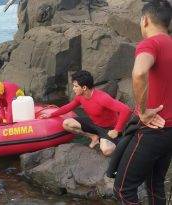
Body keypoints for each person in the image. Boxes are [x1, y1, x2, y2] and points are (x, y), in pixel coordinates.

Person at [114, 1, 172, 204]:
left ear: (145, 20)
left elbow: (139, 72)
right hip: (170, 132)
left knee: (123, 189)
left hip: (153, 130)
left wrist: (143, 110)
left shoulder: (150, 43)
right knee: (155, 186)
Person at [42, 70, 131, 156]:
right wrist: (51, 114)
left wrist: (117, 130)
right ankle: (94, 137)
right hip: (94, 123)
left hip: (108, 129)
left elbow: (126, 110)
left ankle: (115, 141)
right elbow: (68, 107)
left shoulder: (102, 98)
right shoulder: (80, 97)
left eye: (75, 86)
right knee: (66, 124)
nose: (73, 89)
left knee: (107, 151)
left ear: (84, 88)